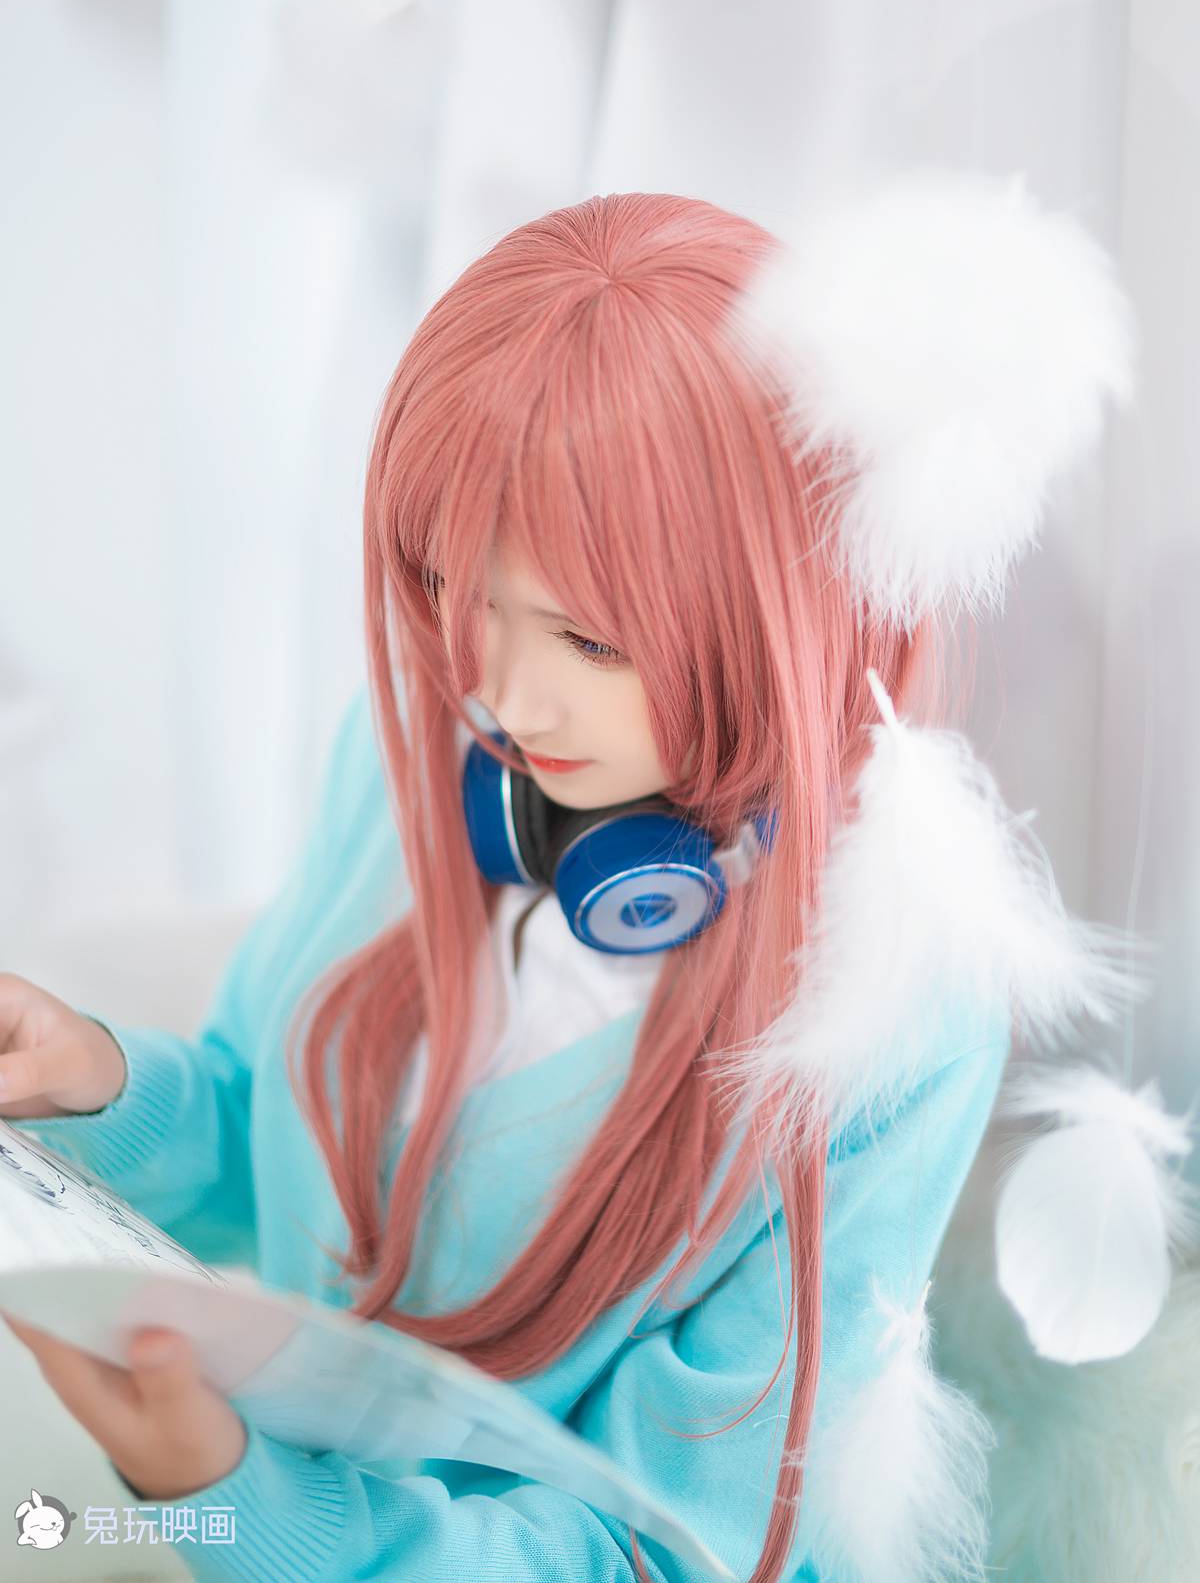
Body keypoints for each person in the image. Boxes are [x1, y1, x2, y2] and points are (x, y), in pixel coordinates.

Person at [0, 182, 1132, 1582]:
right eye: (454, 591)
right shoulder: (422, 759)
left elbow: (675, 1545)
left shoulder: (888, 1015)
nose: (501, 693)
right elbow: (276, 1140)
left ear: (776, 605)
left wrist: (246, 1508)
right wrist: (99, 1084)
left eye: (590, 642)